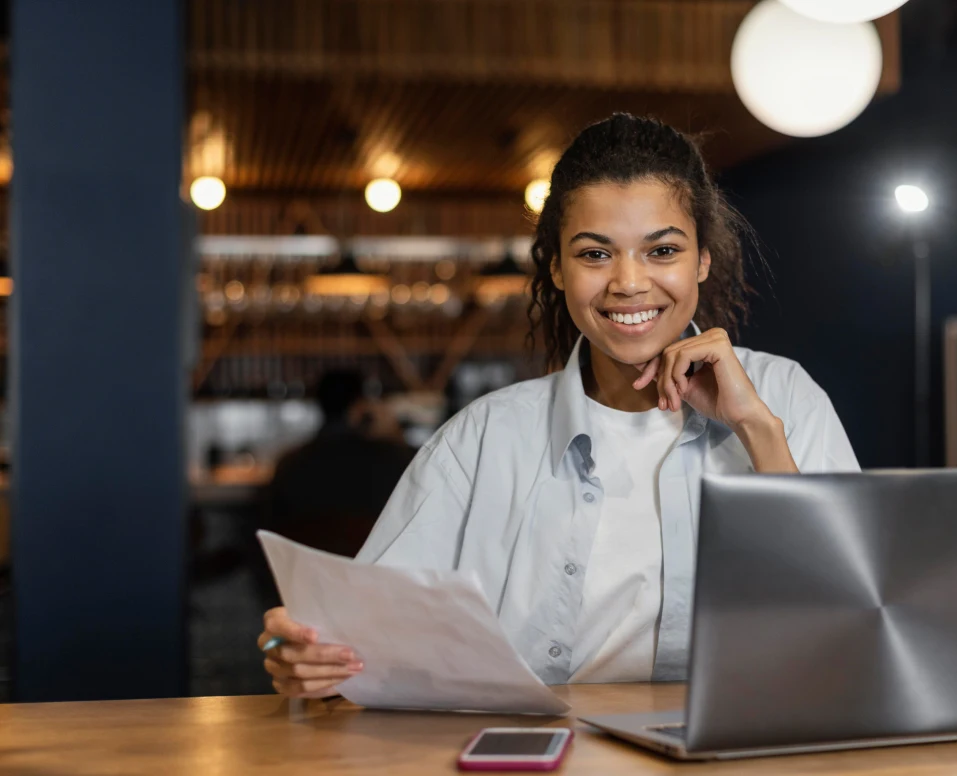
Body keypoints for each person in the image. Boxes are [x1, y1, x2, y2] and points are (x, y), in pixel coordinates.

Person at [258, 114, 859, 698]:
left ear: (702, 260)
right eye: (595, 254)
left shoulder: (784, 400)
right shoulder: (484, 437)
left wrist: (756, 429)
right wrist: (309, 657)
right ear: (557, 267)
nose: (628, 282)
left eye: (662, 251)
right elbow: (362, 634)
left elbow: (852, 619)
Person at [260, 370, 415, 565]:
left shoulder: (289, 463)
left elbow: (271, 529)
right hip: (375, 583)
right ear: (360, 407)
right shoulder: (394, 458)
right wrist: (394, 433)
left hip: (305, 583)